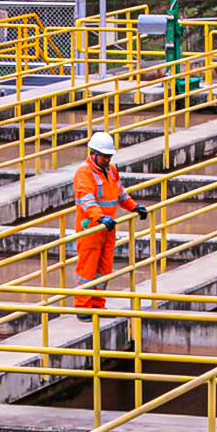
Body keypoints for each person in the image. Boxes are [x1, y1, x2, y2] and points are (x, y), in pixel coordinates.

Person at [73, 131, 147, 313]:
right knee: (87, 271)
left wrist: (134, 206)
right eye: (104, 156)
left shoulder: (111, 170)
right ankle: (83, 309)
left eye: (109, 156)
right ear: (93, 154)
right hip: (90, 228)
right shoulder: (84, 173)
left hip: (108, 227)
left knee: (104, 270)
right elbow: (87, 200)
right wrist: (100, 217)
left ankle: (98, 305)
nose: (107, 160)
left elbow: (120, 193)